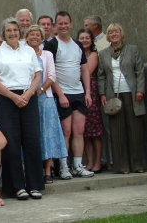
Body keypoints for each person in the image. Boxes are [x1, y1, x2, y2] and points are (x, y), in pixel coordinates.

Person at [0, 18, 44, 200]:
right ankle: (16, 186)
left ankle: (35, 185)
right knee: (11, 143)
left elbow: (37, 75)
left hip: (29, 97)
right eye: (8, 30)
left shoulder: (28, 50)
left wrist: (28, 94)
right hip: (7, 98)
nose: (12, 33)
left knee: (32, 140)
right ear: (3, 33)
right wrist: (13, 96)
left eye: (15, 30)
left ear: (20, 32)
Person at [44, 11, 93, 179]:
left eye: (66, 23)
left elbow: (84, 69)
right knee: (65, 131)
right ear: (56, 26)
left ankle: (78, 165)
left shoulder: (78, 45)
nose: (63, 26)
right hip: (62, 94)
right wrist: (61, 94)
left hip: (79, 93)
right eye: (60, 23)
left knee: (78, 130)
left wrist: (87, 91)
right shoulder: (51, 45)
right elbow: (50, 73)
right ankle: (64, 167)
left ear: (71, 24)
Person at [98, 23, 147, 174]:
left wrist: (140, 90)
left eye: (116, 31)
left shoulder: (132, 50)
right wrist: (102, 93)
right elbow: (101, 75)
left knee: (135, 130)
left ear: (121, 33)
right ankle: (121, 166)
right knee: (117, 132)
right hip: (113, 96)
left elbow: (139, 71)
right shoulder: (103, 53)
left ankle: (138, 164)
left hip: (132, 95)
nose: (114, 34)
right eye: (111, 32)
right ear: (108, 36)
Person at [25, 25, 68, 184]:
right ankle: (34, 169)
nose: (35, 37)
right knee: (33, 134)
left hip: (46, 98)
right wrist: (30, 92)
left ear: (42, 38)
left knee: (48, 134)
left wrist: (41, 90)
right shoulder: (23, 54)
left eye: (38, 35)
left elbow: (51, 75)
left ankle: (48, 171)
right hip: (27, 98)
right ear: (27, 38)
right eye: (32, 34)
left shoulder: (48, 54)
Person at [77, 29, 104, 173]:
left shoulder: (93, 55)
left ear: (91, 40)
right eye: (81, 38)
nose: (85, 40)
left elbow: (87, 71)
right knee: (85, 132)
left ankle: (98, 162)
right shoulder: (76, 54)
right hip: (78, 92)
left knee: (95, 131)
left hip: (91, 92)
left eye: (87, 38)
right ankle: (89, 162)